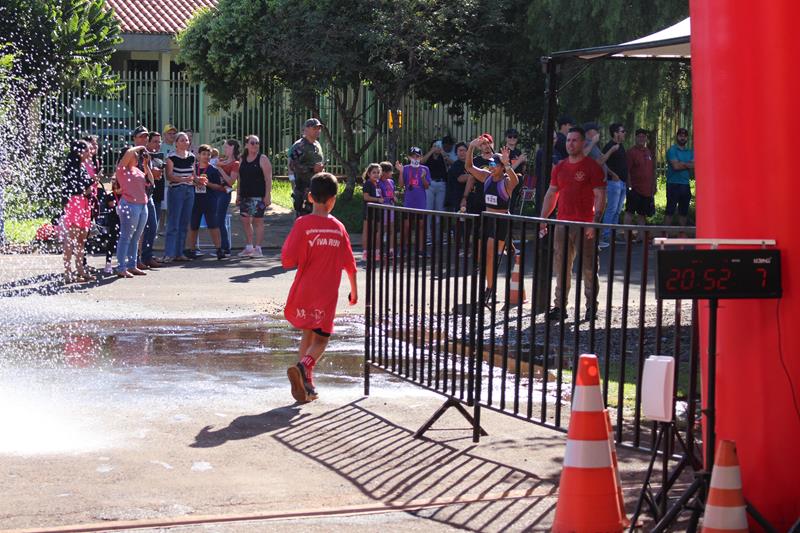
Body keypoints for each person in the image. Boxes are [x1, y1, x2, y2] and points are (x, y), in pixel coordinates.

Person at [283, 172, 357, 403]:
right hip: (326, 294)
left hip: (305, 289)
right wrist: (354, 291)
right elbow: (350, 265)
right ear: (333, 200)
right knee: (322, 340)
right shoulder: (338, 227)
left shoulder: (302, 224)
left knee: (308, 331)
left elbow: (287, 260)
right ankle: (303, 367)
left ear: (310, 197)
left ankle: (307, 384)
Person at [539, 127, 607, 322]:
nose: (570, 144)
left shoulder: (592, 167)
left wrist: (594, 223)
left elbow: (600, 195)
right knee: (560, 267)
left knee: (588, 268)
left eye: (574, 140)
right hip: (562, 223)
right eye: (568, 140)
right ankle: (560, 306)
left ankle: (591, 307)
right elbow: (552, 193)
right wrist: (543, 219)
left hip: (585, 224)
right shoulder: (560, 167)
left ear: (583, 143)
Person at [465, 136, 519, 301]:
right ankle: (490, 286)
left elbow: (516, 180)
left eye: (496, 164)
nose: (492, 166)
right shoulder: (486, 177)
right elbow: (469, 167)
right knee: (484, 256)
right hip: (487, 219)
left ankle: (490, 289)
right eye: (491, 164)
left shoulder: (506, 181)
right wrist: (471, 148)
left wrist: (507, 163)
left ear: (502, 167)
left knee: (491, 254)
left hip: (501, 221)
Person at [60, 140, 95, 283]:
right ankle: (67, 271)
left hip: (84, 203)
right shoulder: (72, 168)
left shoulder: (82, 167)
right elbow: (75, 188)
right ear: (79, 152)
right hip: (75, 203)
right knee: (71, 238)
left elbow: (85, 187)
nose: (89, 152)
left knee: (82, 238)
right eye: (86, 150)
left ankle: (80, 269)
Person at [184, 144, 226, 260]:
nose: (206, 157)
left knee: (213, 224)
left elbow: (219, 187)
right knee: (193, 225)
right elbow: (188, 181)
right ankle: (191, 249)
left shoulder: (213, 170)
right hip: (195, 200)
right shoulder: (193, 169)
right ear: (198, 155)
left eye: (208, 155)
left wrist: (207, 184)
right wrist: (195, 181)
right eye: (203, 154)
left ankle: (219, 249)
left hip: (209, 200)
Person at [115, 146, 150, 278]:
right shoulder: (122, 169)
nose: (137, 157)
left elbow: (150, 181)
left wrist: (146, 165)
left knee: (135, 237)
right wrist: (141, 146)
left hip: (142, 205)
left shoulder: (137, 170)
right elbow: (129, 152)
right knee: (126, 236)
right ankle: (121, 267)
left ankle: (132, 265)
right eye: (136, 155)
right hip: (129, 204)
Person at [237, 134, 273, 257]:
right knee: (245, 220)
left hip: (258, 195)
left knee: (257, 221)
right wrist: (238, 195)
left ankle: (258, 248)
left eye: (257, 143)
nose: (255, 145)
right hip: (245, 195)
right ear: (246, 145)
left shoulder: (262, 159)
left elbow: (268, 179)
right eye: (252, 143)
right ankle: (249, 247)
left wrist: (267, 195)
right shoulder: (242, 159)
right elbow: (240, 179)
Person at [163, 132, 196, 262]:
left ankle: (179, 252)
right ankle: (169, 253)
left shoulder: (192, 157)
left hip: (189, 190)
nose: (184, 142)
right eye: (181, 140)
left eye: (186, 140)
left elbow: (193, 174)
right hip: (176, 190)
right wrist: (183, 179)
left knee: (184, 223)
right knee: (173, 222)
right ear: (176, 143)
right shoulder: (171, 157)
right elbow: (169, 176)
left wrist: (198, 180)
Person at [395, 146, 430, 254]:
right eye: (413, 156)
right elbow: (401, 185)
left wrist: (423, 177)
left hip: (420, 201)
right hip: (409, 201)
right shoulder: (405, 168)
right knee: (406, 226)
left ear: (421, 157)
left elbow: (427, 186)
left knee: (421, 225)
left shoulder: (425, 169)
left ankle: (420, 249)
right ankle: (403, 247)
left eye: (418, 156)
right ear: (409, 157)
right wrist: (400, 172)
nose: (415, 158)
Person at [288, 118, 325, 217]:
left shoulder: (317, 145)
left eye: (319, 128)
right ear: (306, 129)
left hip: (316, 188)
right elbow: (292, 165)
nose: (318, 131)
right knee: (303, 218)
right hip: (303, 189)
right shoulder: (299, 146)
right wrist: (312, 169)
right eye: (315, 128)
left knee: (316, 217)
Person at [599, 123, 628, 248]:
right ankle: (606, 235)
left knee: (617, 210)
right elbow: (602, 162)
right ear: (615, 133)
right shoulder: (609, 146)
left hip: (622, 182)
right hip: (613, 182)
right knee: (611, 208)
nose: (624, 133)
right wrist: (612, 174)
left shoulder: (621, 146)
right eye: (622, 131)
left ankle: (613, 234)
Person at [139, 129, 163, 269]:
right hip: (139, 196)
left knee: (152, 227)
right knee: (140, 230)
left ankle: (147, 256)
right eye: (154, 141)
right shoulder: (136, 154)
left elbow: (155, 177)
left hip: (152, 194)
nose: (157, 144)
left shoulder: (154, 156)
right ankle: (137, 258)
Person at [624, 128, 657, 230]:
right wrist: (629, 186)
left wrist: (654, 185)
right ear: (635, 138)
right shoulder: (630, 152)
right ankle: (626, 237)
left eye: (643, 137)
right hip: (635, 189)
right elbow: (627, 171)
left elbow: (652, 170)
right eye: (639, 136)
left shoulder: (648, 151)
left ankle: (640, 238)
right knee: (629, 212)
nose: (641, 139)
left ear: (646, 138)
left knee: (642, 214)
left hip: (647, 190)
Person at [664, 127, 694, 228]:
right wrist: (687, 164)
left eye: (685, 136)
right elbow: (675, 166)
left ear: (687, 138)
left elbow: (694, 165)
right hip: (673, 184)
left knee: (683, 212)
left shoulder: (690, 152)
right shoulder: (672, 150)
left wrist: (681, 163)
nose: (682, 138)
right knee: (670, 211)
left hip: (685, 184)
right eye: (680, 136)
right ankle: (665, 235)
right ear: (677, 137)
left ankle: (682, 236)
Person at [216, 139, 241, 256]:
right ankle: (220, 246)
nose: (224, 149)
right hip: (215, 191)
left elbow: (231, 181)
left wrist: (220, 168)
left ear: (232, 148)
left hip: (225, 192)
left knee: (220, 219)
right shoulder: (222, 160)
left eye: (226, 147)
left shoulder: (235, 163)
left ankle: (225, 248)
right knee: (216, 219)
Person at [421, 140, 448, 242]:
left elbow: (449, 164)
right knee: (428, 210)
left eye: (438, 146)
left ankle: (439, 236)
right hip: (429, 185)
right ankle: (428, 236)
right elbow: (422, 162)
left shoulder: (443, 156)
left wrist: (443, 153)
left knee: (440, 211)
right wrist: (431, 151)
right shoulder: (429, 156)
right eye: (435, 146)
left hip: (441, 185)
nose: (437, 147)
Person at [361, 163, 382, 261]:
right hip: (369, 210)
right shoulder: (368, 183)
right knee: (367, 231)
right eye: (374, 172)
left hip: (377, 210)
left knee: (377, 231)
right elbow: (366, 197)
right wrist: (377, 200)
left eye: (378, 172)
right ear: (369, 174)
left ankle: (376, 252)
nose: (376, 174)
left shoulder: (378, 184)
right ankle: (365, 252)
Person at [504, 128, 528, 214]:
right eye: (510, 136)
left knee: (513, 207)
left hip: (518, 183)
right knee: (507, 207)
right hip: (507, 183)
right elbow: (506, 171)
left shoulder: (518, 152)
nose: (512, 139)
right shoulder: (504, 151)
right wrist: (519, 161)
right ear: (506, 138)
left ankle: (510, 225)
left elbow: (522, 171)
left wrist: (524, 163)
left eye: (515, 137)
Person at [378, 161, 397, 257]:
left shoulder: (391, 182)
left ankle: (391, 250)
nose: (391, 173)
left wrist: (394, 197)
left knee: (391, 228)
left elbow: (392, 193)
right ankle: (380, 249)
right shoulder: (378, 183)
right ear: (384, 172)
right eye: (390, 171)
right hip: (383, 208)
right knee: (383, 229)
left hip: (391, 206)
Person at [447, 142, 469, 212]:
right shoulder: (456, 165)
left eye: (464, 150)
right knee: (460, 220)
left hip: (470, 198)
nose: (462, 153)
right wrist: (475, 174)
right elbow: (460, 179)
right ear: (456, 152)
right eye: (460, 150)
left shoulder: (471, 164)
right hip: (458, 198)